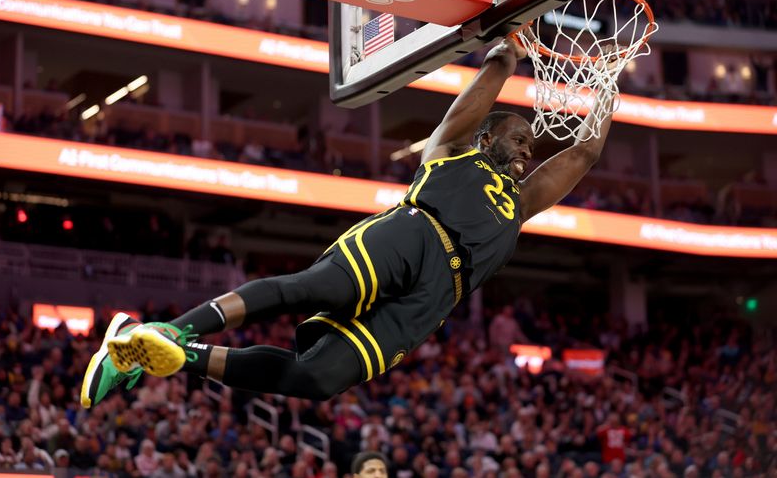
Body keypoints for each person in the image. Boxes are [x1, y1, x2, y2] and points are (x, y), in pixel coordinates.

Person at [81, 35, 619, 408]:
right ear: (488, 140)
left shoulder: (521, 205)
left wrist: (608, 87)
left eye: (531, 143)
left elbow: (584, 155)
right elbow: (486, 84)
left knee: (317, 380)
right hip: (414, 233)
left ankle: (163, 353)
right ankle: (178, 327)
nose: (527, 148)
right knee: (309, 289)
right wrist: (507, 54)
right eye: (518, 138)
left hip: (438, 296)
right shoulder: (455, 149)